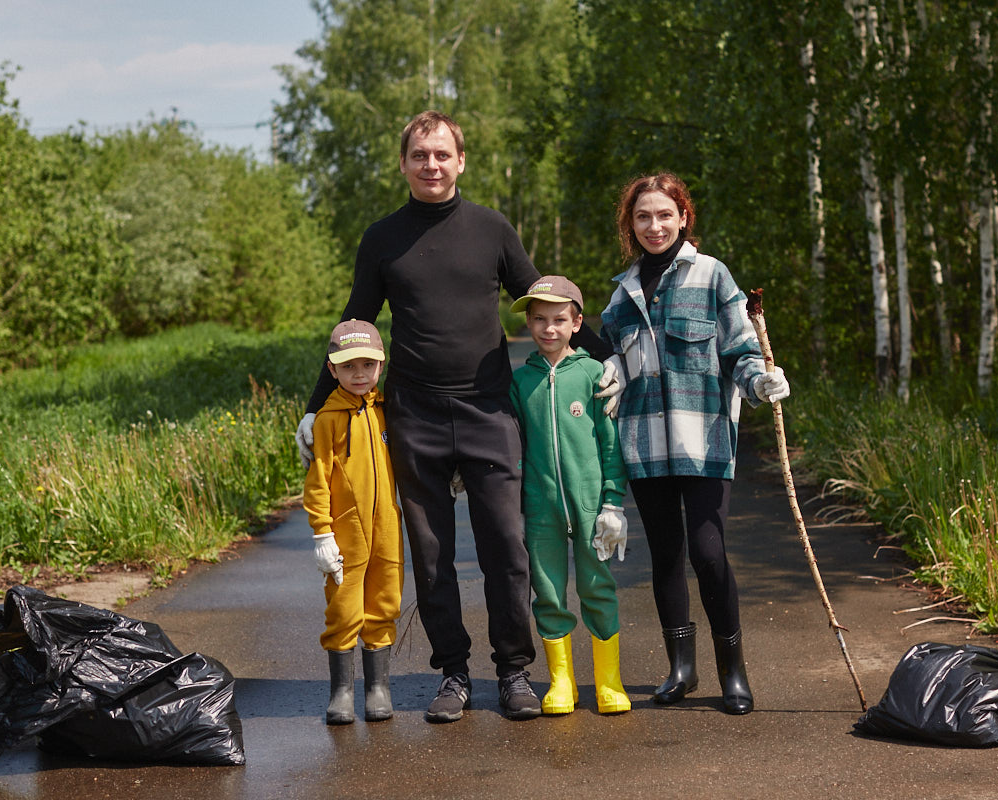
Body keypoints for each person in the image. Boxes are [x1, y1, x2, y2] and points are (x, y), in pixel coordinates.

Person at [294, 110, 621, 723]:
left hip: (488, 409)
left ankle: (514, 671)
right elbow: (355, 320)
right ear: (403, 164)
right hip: (415, 414)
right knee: (431, 554)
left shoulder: (492, 229)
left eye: (442, 154)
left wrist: (606, 359)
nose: (432, 165)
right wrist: (316, 408)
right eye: (420, 155)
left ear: (461, 161)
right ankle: (453, 673)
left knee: (507, 546)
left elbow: (545, 297)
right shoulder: (382, 238)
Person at [598, 173, 791, 715]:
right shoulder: (622, 293)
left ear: (683, 217)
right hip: (644, 445)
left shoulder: (712, 275)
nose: (654, 226)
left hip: (704, 441)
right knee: (665, 556)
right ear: (630, 225)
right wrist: (610, 369)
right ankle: (681, 668)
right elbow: (614, 358)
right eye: (642, 217)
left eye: (665, 215)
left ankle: (733, 671)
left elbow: (739, 351)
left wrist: (760, 382)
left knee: (708, 554)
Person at [507, 276, 631, 715]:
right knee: (548, 592)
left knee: (597, 586)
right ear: (528, 323)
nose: (549, 328)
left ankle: (609, 681)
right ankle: (562, 682)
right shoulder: (520, 381)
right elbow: (511, 443)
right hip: (540, 507)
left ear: (577, 323)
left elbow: (611, 445)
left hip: (592, 506)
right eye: (539, 319)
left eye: (559, 319)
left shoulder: (594, 374)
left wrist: (613, 502)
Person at [304, 319, 403, 725]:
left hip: (387, 529)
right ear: (332, 369)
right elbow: (317, 481)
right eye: (348, 367)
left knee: (384, 602)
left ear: (382, 364)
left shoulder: (388, 410)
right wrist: (322, 533)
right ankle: (341, 691)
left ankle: (378, 687)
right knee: (344, 608)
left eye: (367, 365)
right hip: (345, 534)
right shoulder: (326, 420)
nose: (359, 374)